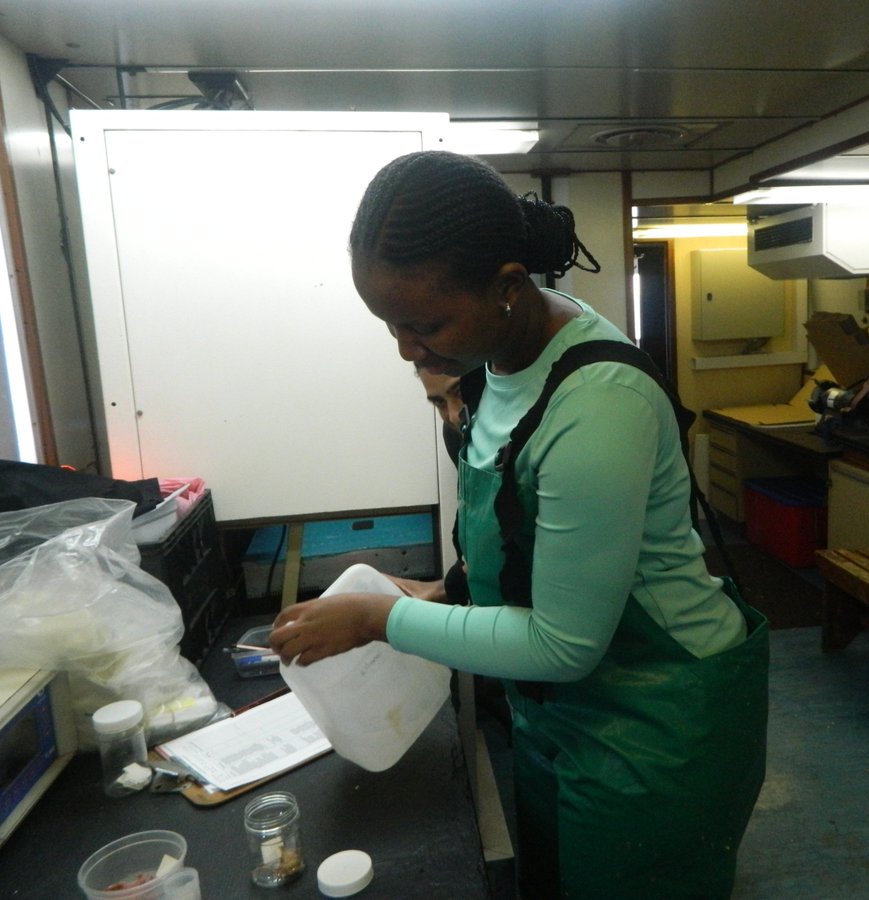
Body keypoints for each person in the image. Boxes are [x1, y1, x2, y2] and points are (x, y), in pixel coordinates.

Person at [270, 150, 769, 899]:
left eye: (424, 324)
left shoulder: (596, 406)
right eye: (390, 326)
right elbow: (529, 540)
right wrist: (447, 592)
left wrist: (383, 620)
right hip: (559, 713)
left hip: (656, 718)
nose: (408, 349)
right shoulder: (499, 360)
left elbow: (564, 642)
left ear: (507, 287)